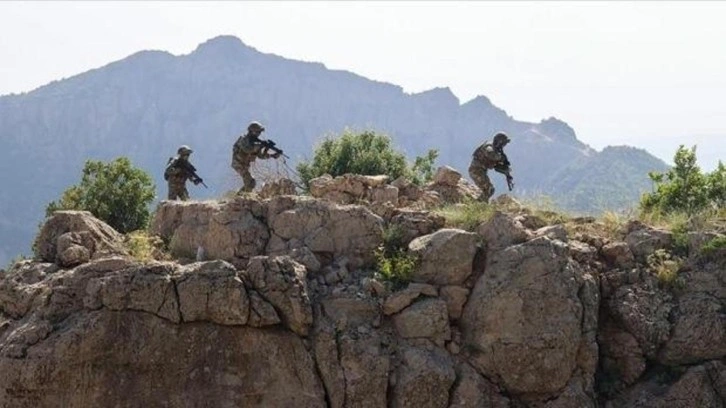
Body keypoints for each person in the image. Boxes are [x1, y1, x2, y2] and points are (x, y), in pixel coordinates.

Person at [231, 121, 281, 193]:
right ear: (252, 131)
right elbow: (247, 149)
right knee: (250, 182)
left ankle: (241, 196)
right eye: (258, 132)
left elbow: (261, 156)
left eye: (259, 132)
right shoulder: (243, 139)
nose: (259, 134)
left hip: (244, 165)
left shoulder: (256, 142)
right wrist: (260, 145)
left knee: (251, 183)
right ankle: (241, 197)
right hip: (238, 164)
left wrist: (272, 155)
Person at [468, 132, 514, 202]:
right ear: (499, 142)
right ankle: (478, 204)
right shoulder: (489, 146)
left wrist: (506, 171)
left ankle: (479, 203)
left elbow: (496, 167)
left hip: (480, 171)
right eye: (503, 143)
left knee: (488, 190)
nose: (504, 146)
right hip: (476, 171)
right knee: (489, 189)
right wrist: (501, 158)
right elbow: (490, 154)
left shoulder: (496, 150)